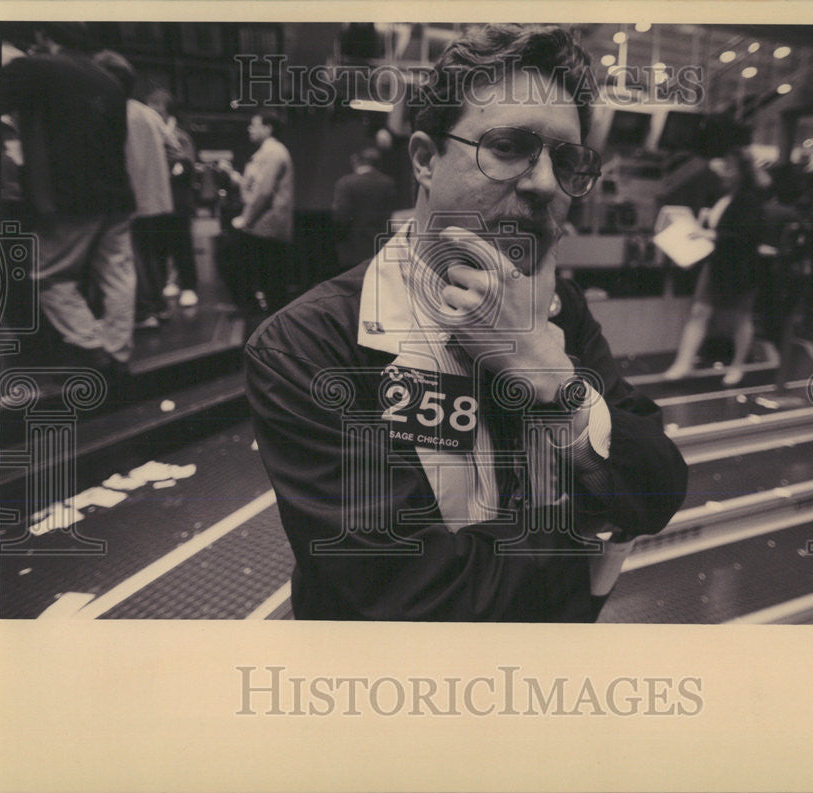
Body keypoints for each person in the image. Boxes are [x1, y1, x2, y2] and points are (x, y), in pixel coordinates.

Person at [245, 24, 687, 621]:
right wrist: (581, 545)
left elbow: (657, 487)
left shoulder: (558, 311)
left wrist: (550, 375)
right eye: (507, 147)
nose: (543, 184)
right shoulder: (307, 345)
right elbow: (413, 603)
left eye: (567, 160)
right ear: (426, 160)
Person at [0, 23, 136, 372]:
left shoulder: (33, 68)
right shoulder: (109, 79)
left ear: (43, 36)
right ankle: (119, 350)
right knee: (117, 274)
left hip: (69, 197)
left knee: (50, 275)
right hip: (117, 194)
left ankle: (92, 345)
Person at [662, 148, 767, 386]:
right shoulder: (723, 197)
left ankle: (737, 366)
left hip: (741, 269)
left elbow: (747, 237)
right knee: (699, 312)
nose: (724, 174)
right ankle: (683, 363)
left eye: (730, 169)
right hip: (717, 265)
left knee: (740, 318)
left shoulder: (750, 201)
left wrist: (710, 234)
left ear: (741, 173)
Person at [93, 50, 180, 331]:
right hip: (158, 197)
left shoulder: (110, 110)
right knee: (154, 257)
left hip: (128, 197)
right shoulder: (148, 113)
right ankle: (159, 307)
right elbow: (175, 150)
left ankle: (144, 312)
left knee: (134, 260)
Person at [218, 113, 294, 313]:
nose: (249, 129)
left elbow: (263, 192)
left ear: (268, 128)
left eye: (254, 125)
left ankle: (255, 312)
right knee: (264, 277)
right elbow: (253, 187)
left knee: (265, 278)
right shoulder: (265, 153)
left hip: (265, 227)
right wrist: (233, 176)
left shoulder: (273, 152)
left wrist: (246, 219)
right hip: (262, 227)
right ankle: (256, 312)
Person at [145, 87, 200, 308]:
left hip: (178, 201)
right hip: (158, 200)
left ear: (164, 110)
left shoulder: (180, 137)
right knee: (159, 246)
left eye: (154, 108)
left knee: (182, 246)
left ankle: (188, 286)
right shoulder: (151, 135)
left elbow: (188, 166)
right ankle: (168, 283)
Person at [331, 146, 398, 267]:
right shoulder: (388, 183)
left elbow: (340, 218)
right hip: (380, 250)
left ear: (356, 160)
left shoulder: (345, 183)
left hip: (352, 251)